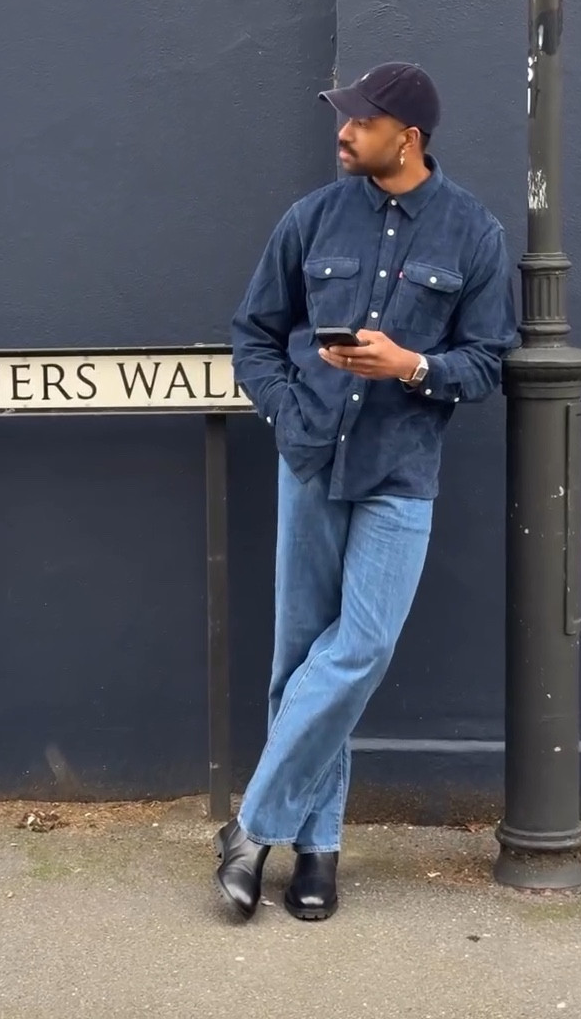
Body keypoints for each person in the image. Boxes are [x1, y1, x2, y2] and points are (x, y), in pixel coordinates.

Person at [217, 62, 517, 922]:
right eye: (343, 120)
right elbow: (254, 334)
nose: (342, 133)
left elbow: (489, 360)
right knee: (301, 657)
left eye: (360, 122)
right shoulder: (309, 220)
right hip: (310, 459)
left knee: (360, 648)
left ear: (407, 138)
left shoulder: (472, 234)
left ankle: (248, 828)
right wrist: (286, 408)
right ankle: (317, 853)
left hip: (399, 470)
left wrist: (410, 365)